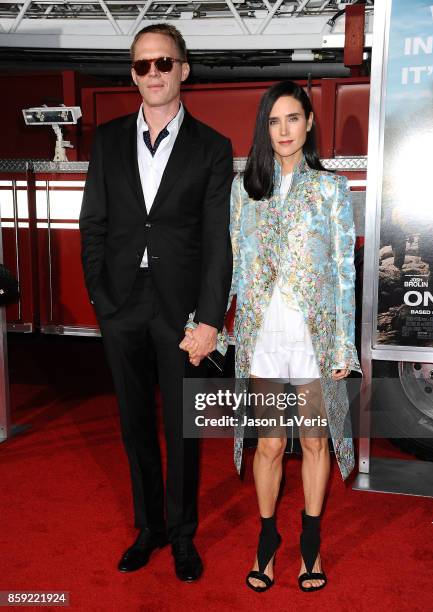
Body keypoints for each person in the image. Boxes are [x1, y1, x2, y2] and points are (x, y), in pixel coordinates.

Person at [79, 23, 233, 582]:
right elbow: (93, 222)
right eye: (142, 65)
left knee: (183, 428)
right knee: (134, 423)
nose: (152, 74)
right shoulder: (109, 138)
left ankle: (183, 533)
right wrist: (101, 298)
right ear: (133, 74)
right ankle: (150, 528)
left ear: (183, 70)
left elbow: (219, 240)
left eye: (163, 63)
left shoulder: (213, 148)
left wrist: (211, 319)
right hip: (121, 304)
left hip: (182, 312)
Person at [228, 81, 361, 593]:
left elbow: (344, 272)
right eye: (273, 121)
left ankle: (311, 541)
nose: (283, 130)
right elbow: (234, 265)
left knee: (312, 440)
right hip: (263, 334)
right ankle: (267, 540)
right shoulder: (246, 189)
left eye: (292, 119)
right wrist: (214, 322)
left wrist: (344, 344)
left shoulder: (331, 189)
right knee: (268, 443)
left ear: (308, 122)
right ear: (265, 129)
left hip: (311, 336)